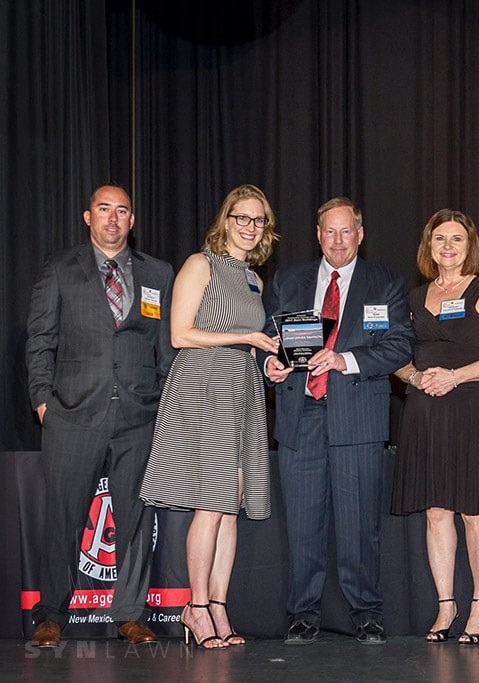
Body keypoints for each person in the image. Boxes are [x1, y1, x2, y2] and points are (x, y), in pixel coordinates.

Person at [25, 184, 175, 647]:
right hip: (72, 414)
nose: (113, 218)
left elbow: (166, 350)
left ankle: (130, 614)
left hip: (139, 416)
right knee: (63, 519)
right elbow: (40, 339)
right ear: (87, 217)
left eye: (122, 210)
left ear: (132, 220)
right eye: (104, 209)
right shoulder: (59, 269)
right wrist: (42, 401)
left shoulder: (159, 273)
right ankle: (52, 613)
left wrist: (164, 411)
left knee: (133, 518)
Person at [260, 197, 414, 646]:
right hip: (299, 414)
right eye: (330, 231)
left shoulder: (384, 282)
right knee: (302, 527)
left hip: (358, 416)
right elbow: (269, 341)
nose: (339, 240)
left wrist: (345, 359)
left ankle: (366, 612)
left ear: (360, 234)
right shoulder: (289, 281)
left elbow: (400, 346)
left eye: (347, 231)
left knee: (359, 525)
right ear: (318, 233)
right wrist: (269, 366)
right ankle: (302, 614)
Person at [140, 184, 280, 648]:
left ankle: (218, 604)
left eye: (258, 220)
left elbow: (248, 341)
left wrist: (268, 362)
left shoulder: (255, 279)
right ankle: (195, 606)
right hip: (201, 387)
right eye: (242, 217)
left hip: (242, 388)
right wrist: (247, 339)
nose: (250, 227)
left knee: (231, 504)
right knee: (211, 501)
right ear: (226, 220)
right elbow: (180, 334)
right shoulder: (200, 264)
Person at [391, 209, 479, 645]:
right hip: (424, 410)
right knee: (435, 511)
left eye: (456, 239)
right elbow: (397, 357)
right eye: (439, 238)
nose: (447, 246)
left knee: (474, 510)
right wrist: (415, 377)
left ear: (469, 246)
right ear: (429, 247)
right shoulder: (413, 296)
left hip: (469, 406)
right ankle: (446, 605)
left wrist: (455, 375)